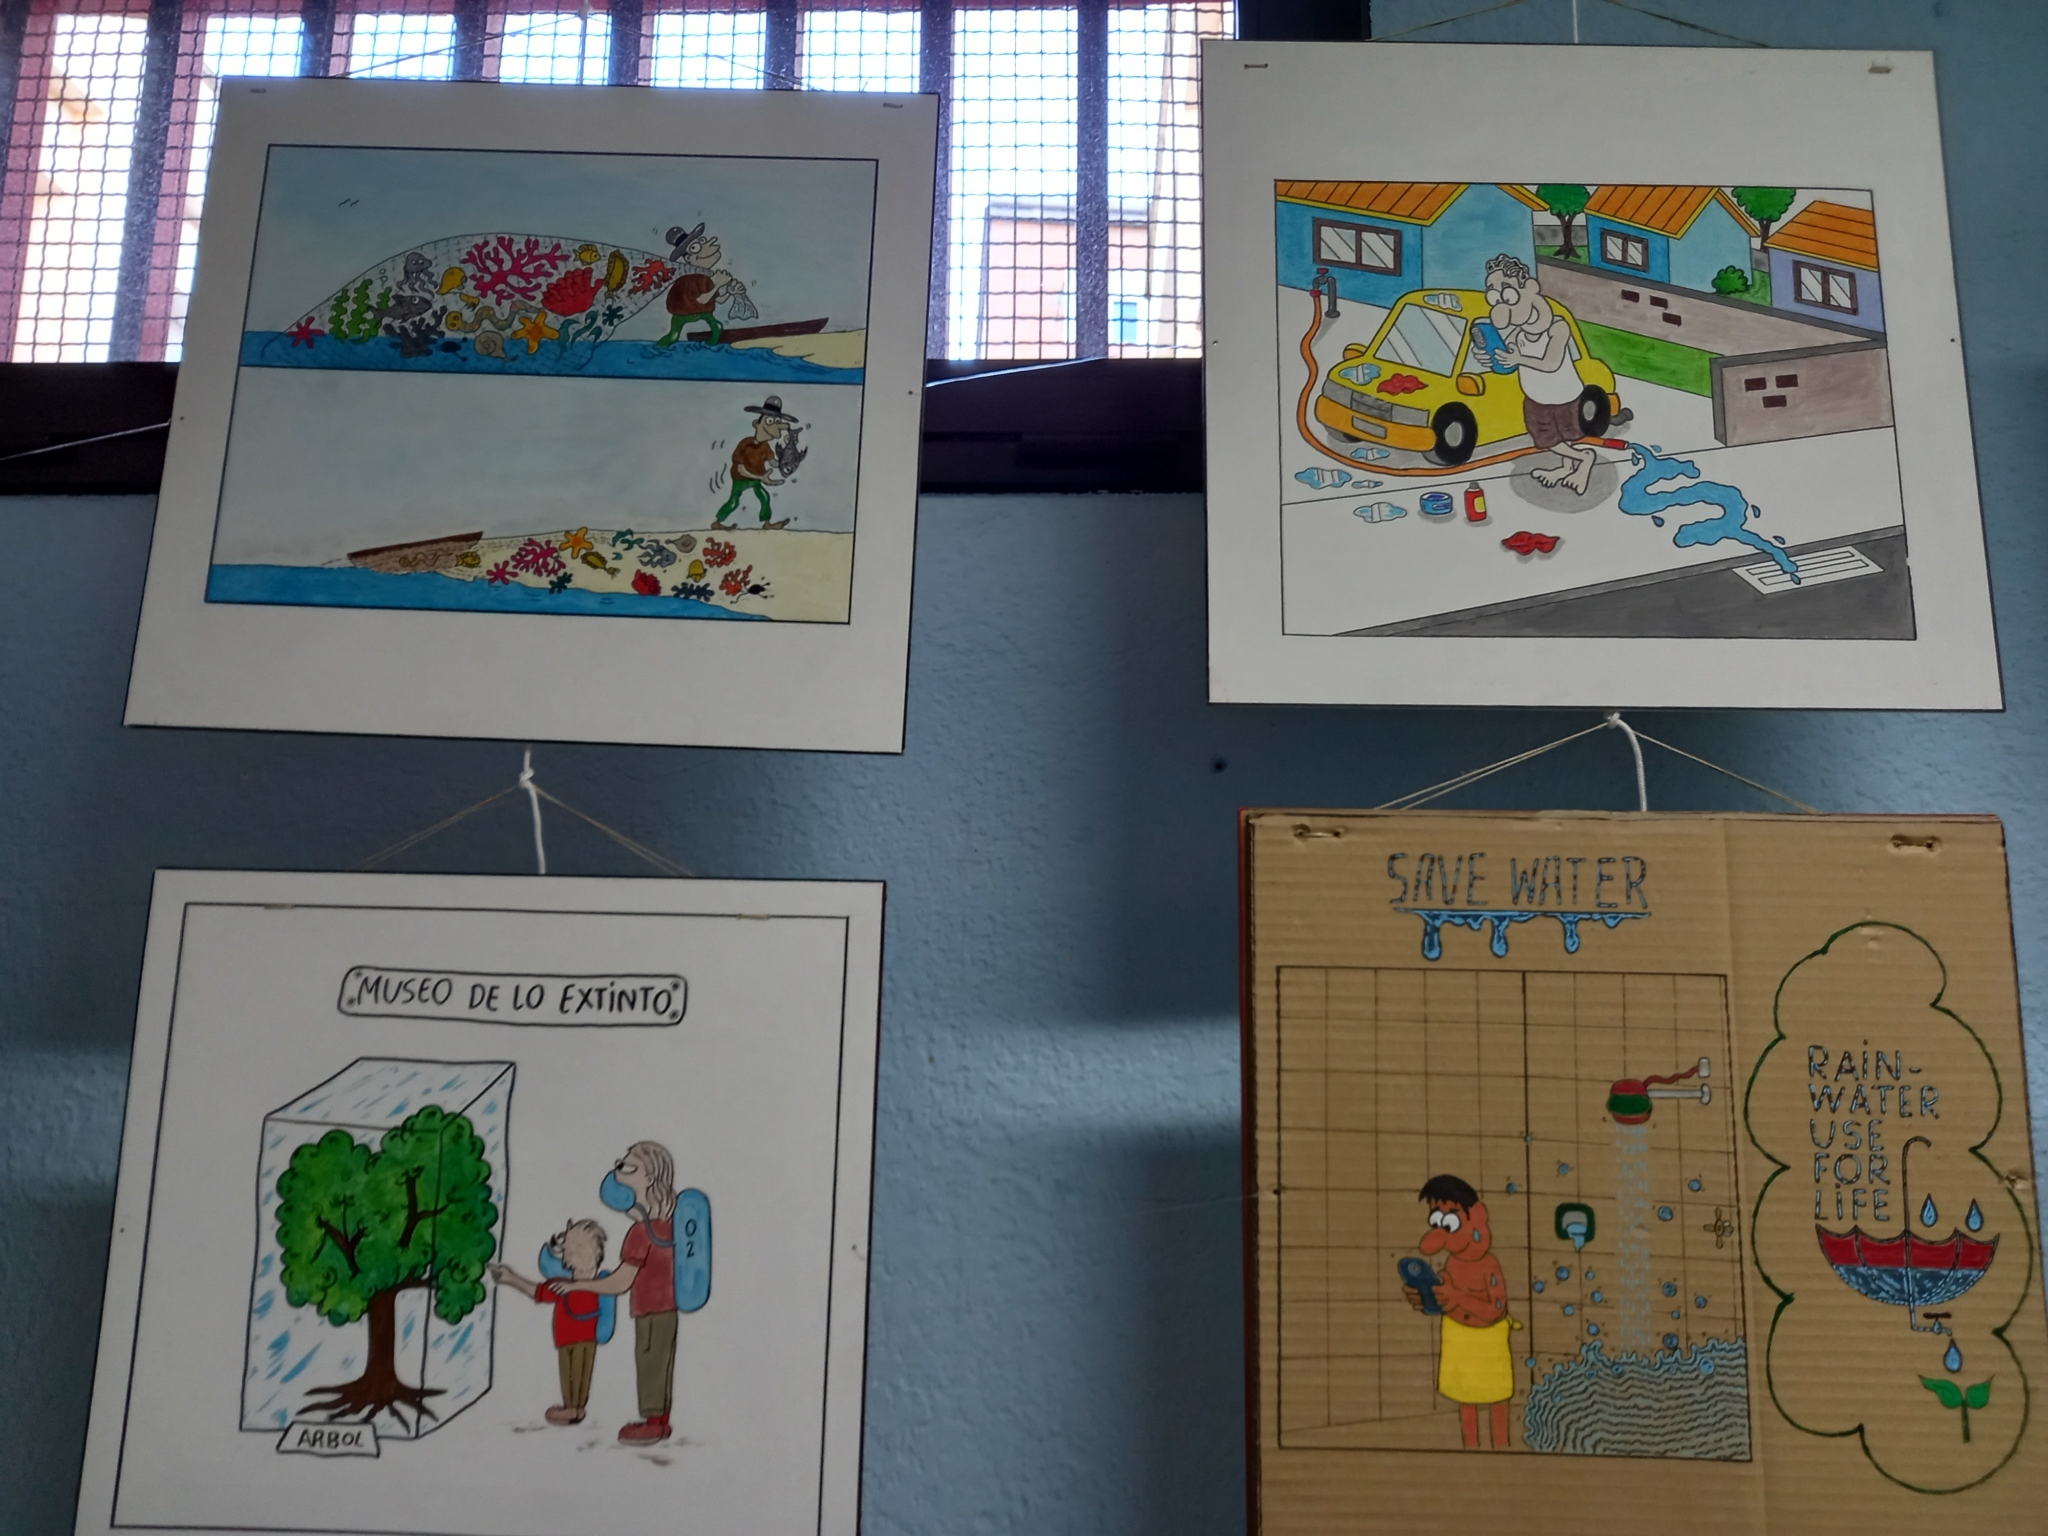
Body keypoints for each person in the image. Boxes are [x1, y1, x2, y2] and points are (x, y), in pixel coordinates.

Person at [573, 1141, 682, 1444]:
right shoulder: (667, 1226)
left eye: (627, 1167)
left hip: (650, 1307)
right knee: (660, 1360)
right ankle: (659, 1420)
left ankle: (653, 1423)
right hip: (667, 1307)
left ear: (649, 1178)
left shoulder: (641, 1233)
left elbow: (621, 1282)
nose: (618, 1171)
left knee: (650, 1361)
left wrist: (579, 1285)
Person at [1403, 1173, 1517, 1449]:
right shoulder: (1452, 1265)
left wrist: (1456, 1296)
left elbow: (1495, 1309)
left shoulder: (1489, 1266)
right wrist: (1427, 1300)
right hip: (1460, 1341)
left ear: (1477, 1216)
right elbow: (1448, 1304)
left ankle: (1502, 1449)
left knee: (1497, 1399)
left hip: (1488, 1343)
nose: (1442, 1232)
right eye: (1437, 1220)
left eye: (1451, 1220)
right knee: (1466, 1400)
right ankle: (1471, 1450)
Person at [1475, 253, 1598, 494]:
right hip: (1536, 396)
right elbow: (1506, 363)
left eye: (1507, 294)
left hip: (1564, 395)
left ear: (1529, 288)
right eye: (1494, 296)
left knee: (1560, 436)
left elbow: (1551, 363)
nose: (1501, 305)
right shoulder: (1517, 334)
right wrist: (1489, 359)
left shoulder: (1557, 327)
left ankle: (1584, 458)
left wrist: (1518, 358)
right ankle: (1566, 467)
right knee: (1546, 437)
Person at [489, 1218, 609, 1425]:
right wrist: (510, 1278)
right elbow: (537, 1291)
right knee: (575, 1373)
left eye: (569, 1251)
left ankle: (573, 1408)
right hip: (571, 1339)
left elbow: (537, 1291)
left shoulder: (594, 1285)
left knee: (576, 1374)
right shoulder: (567, 1284)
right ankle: (575, 1408)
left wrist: (511, 1278)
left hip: (578, 1339)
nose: (566, 1258)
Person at [713, 398, 796, 528]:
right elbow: (740, 469)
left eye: (777, 422)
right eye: (769, 421)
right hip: (740, 479)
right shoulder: (745, 444)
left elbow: (773, 463)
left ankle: (766, 523)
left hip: (756, 477)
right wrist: (761, 478)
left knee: (765, 497)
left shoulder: (765, 446)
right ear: (756, 424)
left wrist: (786, 461)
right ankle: (717, 522)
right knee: (734, 501)